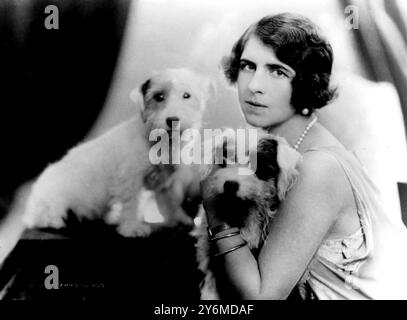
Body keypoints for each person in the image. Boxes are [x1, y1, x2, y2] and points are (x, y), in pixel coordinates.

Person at [203, 12, 407, 300]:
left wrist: (217, 212)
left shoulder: (316, 167)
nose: (254, 85)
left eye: (278, 71)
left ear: (305, 82)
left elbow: (261, 297)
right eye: (248, 66)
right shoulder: (290, 148)